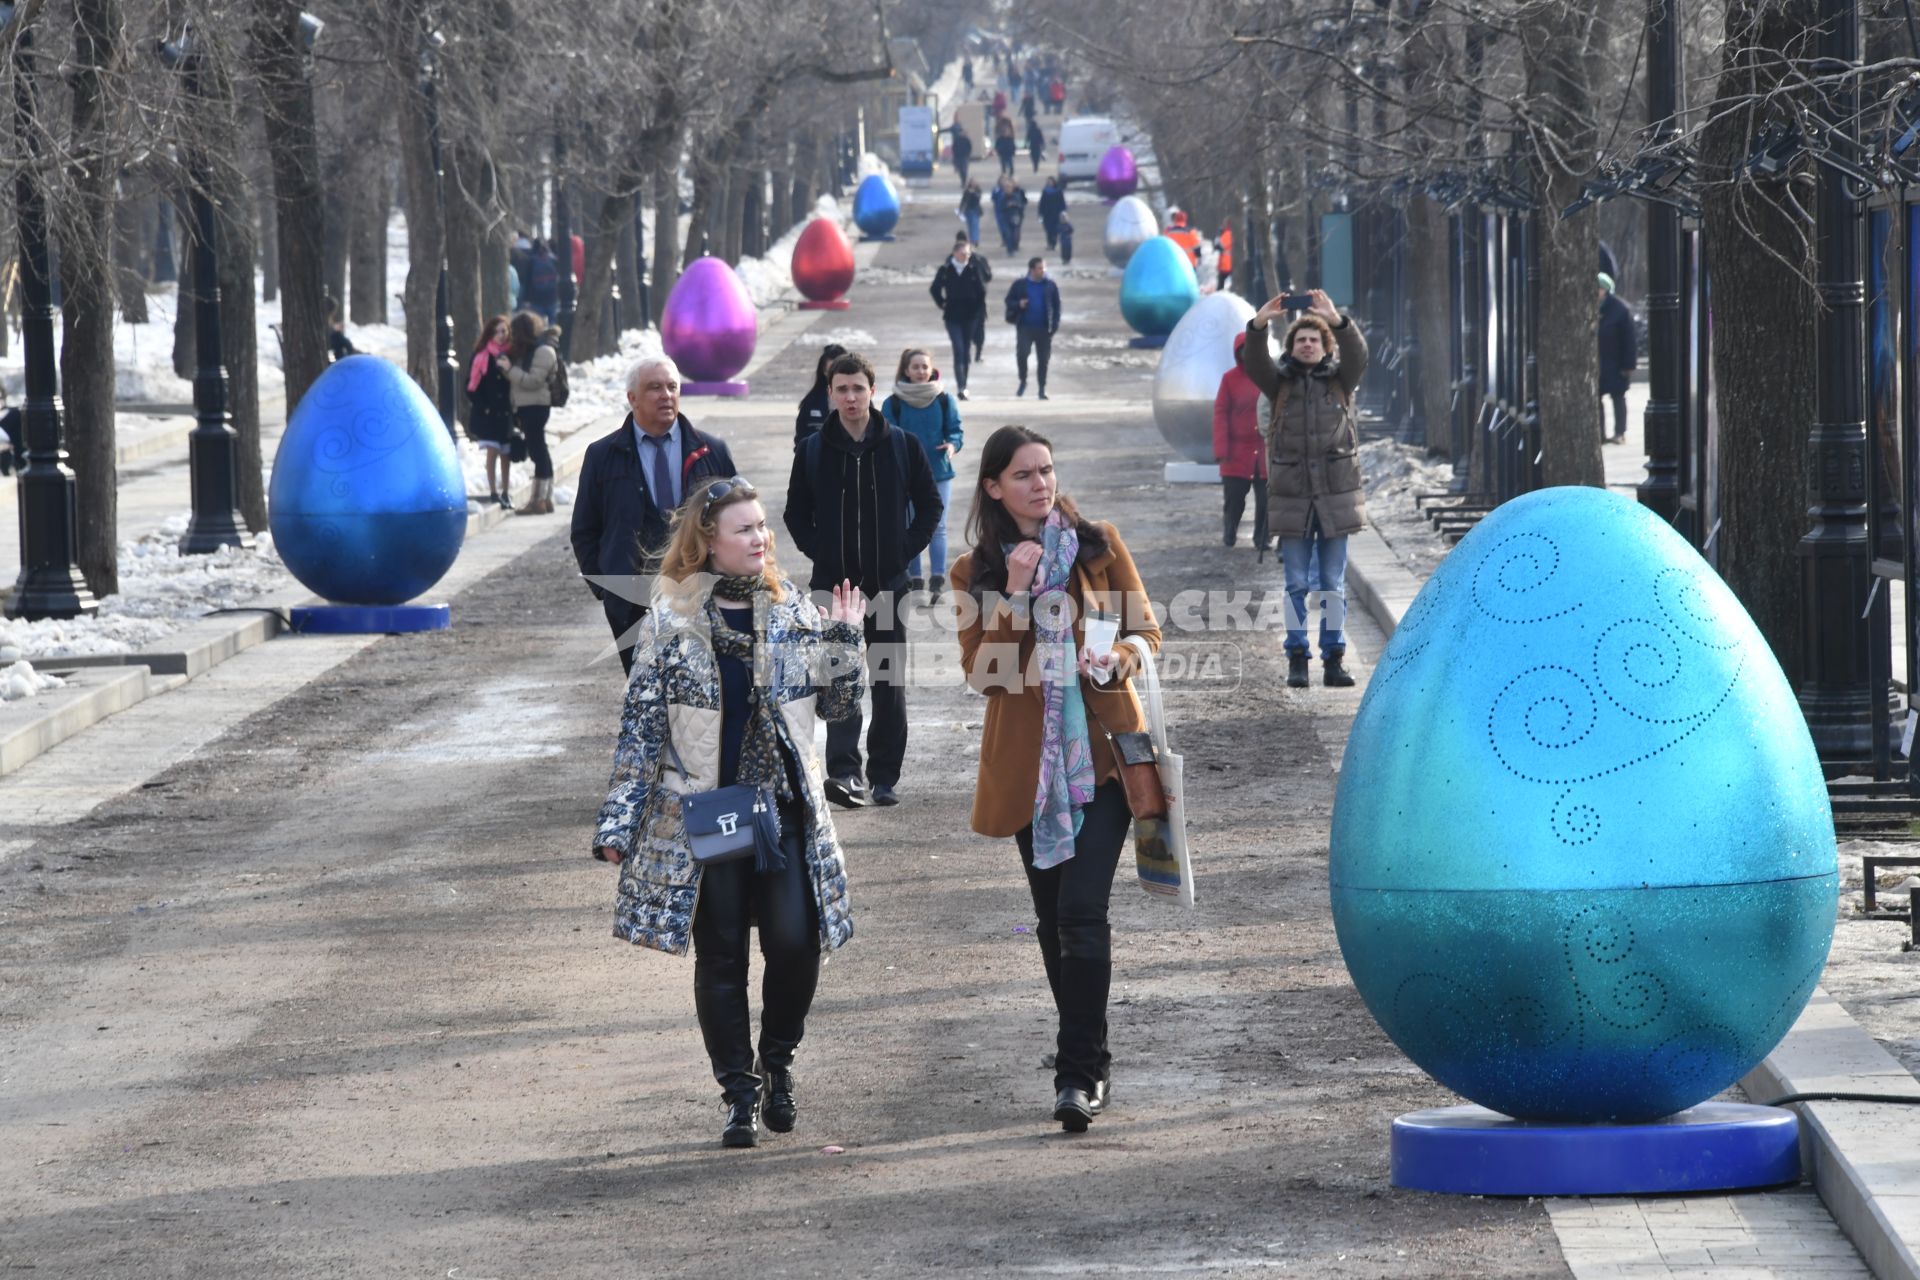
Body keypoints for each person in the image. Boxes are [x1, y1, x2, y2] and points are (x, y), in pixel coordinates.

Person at [593, 478, 869, 1149]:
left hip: (782, 809)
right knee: (720, 957)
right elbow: (642, 728)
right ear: (710, 543)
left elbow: (837, 711)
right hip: (712, 809)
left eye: (762, 526)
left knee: (795, 945)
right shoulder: (672, 622)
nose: (761, 538)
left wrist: (846, 641)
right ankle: (738, 1094)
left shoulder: (794, 611)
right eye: (744, 529)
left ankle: (777, 1062)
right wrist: (617, 822)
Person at [949, 424, 1162, 1133]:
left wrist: (1118, 660)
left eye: (1046, 469)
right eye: (1023, 474)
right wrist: (1010, 594)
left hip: (1101, 759)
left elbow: (1145, 632)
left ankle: (1076, 1076)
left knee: (1080, 913)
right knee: (1051, 923)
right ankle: (1091, 1056)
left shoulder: (1096, 544)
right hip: (1028, 772)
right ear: (993, 488)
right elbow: (984, 673)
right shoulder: (971, 572)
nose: (1041, 483)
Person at [784, 352, 943, 809]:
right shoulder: (813, 450)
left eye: (858, 388)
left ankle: (884, 775)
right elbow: (795, 513)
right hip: (833, 588)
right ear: (830, 393)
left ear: (873, 391)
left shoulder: (903, 445)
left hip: (889, 583)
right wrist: (824, 552)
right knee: (838, 679)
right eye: (842, 389)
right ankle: (845, 773)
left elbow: (930, 505)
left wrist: (902, 550)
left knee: (888, 682)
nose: (851, 397)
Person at [572, 355, 740, 674]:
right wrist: (609, 589)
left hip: (702, 595)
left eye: (672, 387)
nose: (666, 395)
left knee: (703, 697)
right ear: (632, 398)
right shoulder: (602, 456)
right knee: (647, 701)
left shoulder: (712, 451)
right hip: (632, 602)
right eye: (654, 388)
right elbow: (584, 530)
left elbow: (738, 520)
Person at [1241, 289, 1369, 689]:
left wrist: (1337, 319)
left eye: (1314, 340)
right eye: (1301, 340)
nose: (1308, 345)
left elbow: (1359, 355)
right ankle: (1297, 655)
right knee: (1296, 583)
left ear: (1324, 345)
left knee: (1331, 584)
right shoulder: (1277, 384)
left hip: (1336, 497)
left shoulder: (1341, 381)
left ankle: (1334, 658)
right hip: (1293, 498)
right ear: (1292, 347)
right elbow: (1254, 359)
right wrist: (1259, 325)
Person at [880, 348, 965, 600]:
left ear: (931, 369)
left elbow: (956, 430)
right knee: (910, 526)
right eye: (915, 367)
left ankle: (937, 581)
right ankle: (914, 580)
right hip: (906, 475)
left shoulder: (944, 399)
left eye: (924, 367)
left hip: (939, 472)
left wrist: (952, 445)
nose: (920, 371)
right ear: (906, 370)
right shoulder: (893, 402)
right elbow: (884, 436)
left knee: (938, 526)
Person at [1213, 332, 1269, 556]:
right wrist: (1221, 449)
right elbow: (1220, 414)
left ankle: (1262, 538)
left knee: (1266, 500)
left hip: (1265, 450)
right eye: (1245, 350)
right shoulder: (1230, 379)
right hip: (1237, 452)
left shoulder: (1270, 376)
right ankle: (1230, 529)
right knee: (1234, 498)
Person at [499, 312, 560, 515]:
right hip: (527, 406)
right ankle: (545, 498)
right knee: (539, 449)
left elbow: (534, 381)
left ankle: (538, 500)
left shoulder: (543, 351)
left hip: (536, 406)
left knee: (537, 451)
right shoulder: (529, 350)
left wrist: (509, 370)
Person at [930, 234, 992, 401]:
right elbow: (934, 288)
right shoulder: (946, 269)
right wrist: (942, 303)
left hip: (970, 316)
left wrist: (978, 310)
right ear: (955, 253)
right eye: (964, 253)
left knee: (966, 350)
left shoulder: (973, 268)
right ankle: (961, 387)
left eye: (968, 254)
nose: (967, 256)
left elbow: (982, 290)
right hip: (952, 316)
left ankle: (964, 384)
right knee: (958, 349)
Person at [465, 314, 516, 510]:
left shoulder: (510, 356)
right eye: (498, 332)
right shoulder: (482, 356)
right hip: (488, 414)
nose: (502, 335)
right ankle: (494, 492)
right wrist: (484, 407)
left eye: (505, 331)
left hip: (506, 413)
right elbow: (471, 388)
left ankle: (505, 492)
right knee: (492, 451)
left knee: (506, 454)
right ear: (490, 334)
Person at [1006, 256, 1061, 399]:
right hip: (1025, 327)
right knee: (1022, 354)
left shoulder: (1050, 285)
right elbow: (1008, 301)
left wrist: (1054, 325)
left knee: (1043, 359)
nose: (1043, 271)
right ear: (1032, 270)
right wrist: (1019, 304)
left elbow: (1057, 307)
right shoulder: (1020, 284)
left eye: (1044, 268)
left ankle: (1042, 388)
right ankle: (1023, 380)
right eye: (1040, 268)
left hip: (1044, 328)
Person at [1598, 273, 1636, 444]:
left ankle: (1620, 432)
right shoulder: (1589, 308)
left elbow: (1629, 341)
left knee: (1618, 397)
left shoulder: (1620, 310)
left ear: (1605, 290)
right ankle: (1599, 433)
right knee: (1595, 400)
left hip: (1616, 363)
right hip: (1598, 364)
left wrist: (1628, 365)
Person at [795, 343, 849, 446]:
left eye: (841, 371)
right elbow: (800, 441)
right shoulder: (811, 403)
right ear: (824, 371)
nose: (836, 377)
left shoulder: (861, 401)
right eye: (831, 372)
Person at [519, 239, 559, 323]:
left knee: (539, 324)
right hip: (552, 297)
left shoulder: (532, 261)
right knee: (553, 322)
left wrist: (526, 299)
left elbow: (527, 281)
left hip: (536, 298)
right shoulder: (553, 259)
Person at [992, 175, 1028, 255]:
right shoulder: (1002, 197)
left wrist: (1015, 205)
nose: (1008, 189)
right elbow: (1000, 207)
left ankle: (1015, 246)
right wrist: (1006, 206)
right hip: (1005, 218)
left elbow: (1021, 205)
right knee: (1008, 234)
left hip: (1015, 217)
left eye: (1009, 187)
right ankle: (1010, 250)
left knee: (1015, 234)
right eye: (1006, 187)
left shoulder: (1016, 196)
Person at [1038, 176, 1066, 250]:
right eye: (1048, 182)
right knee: (1048, 230)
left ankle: (1053, 243)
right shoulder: (1045, 191)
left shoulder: (1058, 191)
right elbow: (1042, 203)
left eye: (1051, 181)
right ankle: (1049, 243)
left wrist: (1063, 211)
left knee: (1055, 230)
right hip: (1047, 214)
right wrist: (1040, 213)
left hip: (1056, 214)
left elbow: (1062, 202)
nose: (1049, 183)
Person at [957, 179, 984, 248]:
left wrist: (973, 193)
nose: (973, 184)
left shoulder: (978, 191)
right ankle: (972, 239)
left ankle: (975, 240)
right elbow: (963, 200)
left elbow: (978, 198)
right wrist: (960, 209)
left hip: (975, 210)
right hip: (968, 210)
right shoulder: (967, 191)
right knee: (970, 226)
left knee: (975, 225)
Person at [950, 122, 974, 188]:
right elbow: (954, 147)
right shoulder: (957, 140)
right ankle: (963, 181)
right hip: (958, 157)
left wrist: (968, 154)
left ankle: (964, 181)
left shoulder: (966, 140)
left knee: (964, 170)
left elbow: (969, 147)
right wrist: (955, 154)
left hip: (964, 157)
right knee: (961, 170)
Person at [1215, 222, 1234, 292]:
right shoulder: (1232, 233)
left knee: (1221, 287)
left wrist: (1219, 236)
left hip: (1226, 264)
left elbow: (1218, 246)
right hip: (1230, 264)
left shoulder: (1227, 234)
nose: (1222, 226)